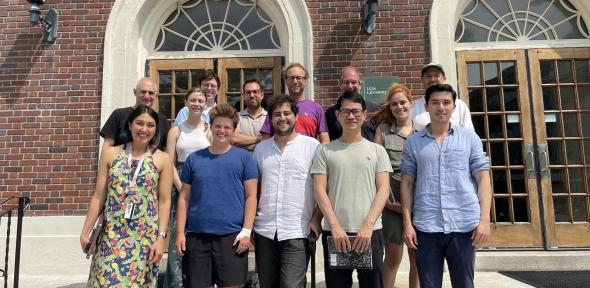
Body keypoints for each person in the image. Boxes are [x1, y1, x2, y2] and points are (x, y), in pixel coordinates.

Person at [400, 84, 492, 288]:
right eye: (435, 102)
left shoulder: (470, 139)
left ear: (454, 106)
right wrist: (407, 223)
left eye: (446, 102)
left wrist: (484, 219)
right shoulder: (413, 143)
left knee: (464, 284)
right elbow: (406, 184)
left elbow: (483, 179)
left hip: (464, 225)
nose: (441, 107)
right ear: (426, 106)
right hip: (426, 226)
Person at [81, 105, 173, 287]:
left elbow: (164, 201)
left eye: (150, 125)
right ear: (130, 125)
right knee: (104, 281)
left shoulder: (163, 159)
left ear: (155, 129)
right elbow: (99, 195)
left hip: (145, 236)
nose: (144, 129)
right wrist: (85, 231)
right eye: (139, 123)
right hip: (111, 234)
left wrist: (161, 237)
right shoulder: (110, 154)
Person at [311, 91, 392, 288]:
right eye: (346, 111)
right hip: (336, 234)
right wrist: (334, 225)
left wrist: (368, 226)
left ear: (365, 115)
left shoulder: (377, 151)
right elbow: (320, 190)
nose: (351, 116)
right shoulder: (325, 151)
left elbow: (383, 189)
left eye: (356, 111)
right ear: (337, 115)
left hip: (369, 233)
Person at [175, 103, 258, 288]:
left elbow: (251, 197)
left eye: (227, 127)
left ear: (234, 130)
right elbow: (184, 198)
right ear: (210, 127)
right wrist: (180, 233)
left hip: (232, 237)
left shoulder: (245, 159)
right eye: (218, 126)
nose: (222, 130)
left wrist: (246, 231)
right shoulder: (194, 159)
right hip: (197, 237)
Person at [252, 94, 321, 288]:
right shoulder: (261, 149)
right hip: (265, 230)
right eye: (277, 114)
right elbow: (254, 191)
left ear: (296, 116)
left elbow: (325, 188)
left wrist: (317, 219)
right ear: (271, 119)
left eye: (287, 113)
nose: (282, 118)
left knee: (291, 285)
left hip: (297, 230)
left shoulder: (312, 146)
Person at [373, 84, 422, 288]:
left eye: (403, 102)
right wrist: (384, 203)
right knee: (393, 257)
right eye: (394, 104)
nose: (399, 107)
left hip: (419, 205)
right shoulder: (382, 131)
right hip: (391, 205)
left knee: (417, 259)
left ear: (411, 103)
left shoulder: (423, 131)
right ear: (390, 107)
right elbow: (376, 169)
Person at [164, 88, 210, 288]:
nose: (197, 104)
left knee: (201, 231)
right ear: (186, 102)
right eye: (193, 100)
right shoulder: (176, 131)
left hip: (205, 183)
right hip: (180, 181)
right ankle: (175, 283)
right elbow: (169, 162)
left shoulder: (209, 129)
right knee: (178, 232)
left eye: (201, 101)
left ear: (205, 103)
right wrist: (181, 186)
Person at [260, 63, 329, 144]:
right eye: (291, 78)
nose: (295, 81)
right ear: (286, 80)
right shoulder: (276, 107)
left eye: (299, 78)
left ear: (305, 81)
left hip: (309, 155)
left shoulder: (317, 108)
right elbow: (266, 138)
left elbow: (325, 140)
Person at [100, 77, 170, 152]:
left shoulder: (162, 120)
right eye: (143, 92)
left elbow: (165, 150)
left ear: (156, 95)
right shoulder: (119, 115)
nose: (147, 96)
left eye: (151, 93)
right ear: (135, 92)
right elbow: (107, 146)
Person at [324, 66, 380, 141]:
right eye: (346, 82)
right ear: (340, 85)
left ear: (360, 85)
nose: (350, 86)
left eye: (353, 82)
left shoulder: (374, 109)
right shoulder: (331, 112)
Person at [412, 63, 474, 130]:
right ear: (422, 80)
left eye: (436, 75)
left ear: (444, 78)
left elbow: (469, 133)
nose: (432, 79)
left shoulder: (460, 105)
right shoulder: (414, 106)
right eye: (428, 76)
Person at [232, 79, 267, 151]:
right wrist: (260, 138)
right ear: (244, 96)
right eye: (248, 92)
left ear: (262, 95)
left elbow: (271, 139)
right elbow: (233, 138)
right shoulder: (236, 117)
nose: (252, 95)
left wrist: (243, 143)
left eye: (255, 92)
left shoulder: (270, 117)